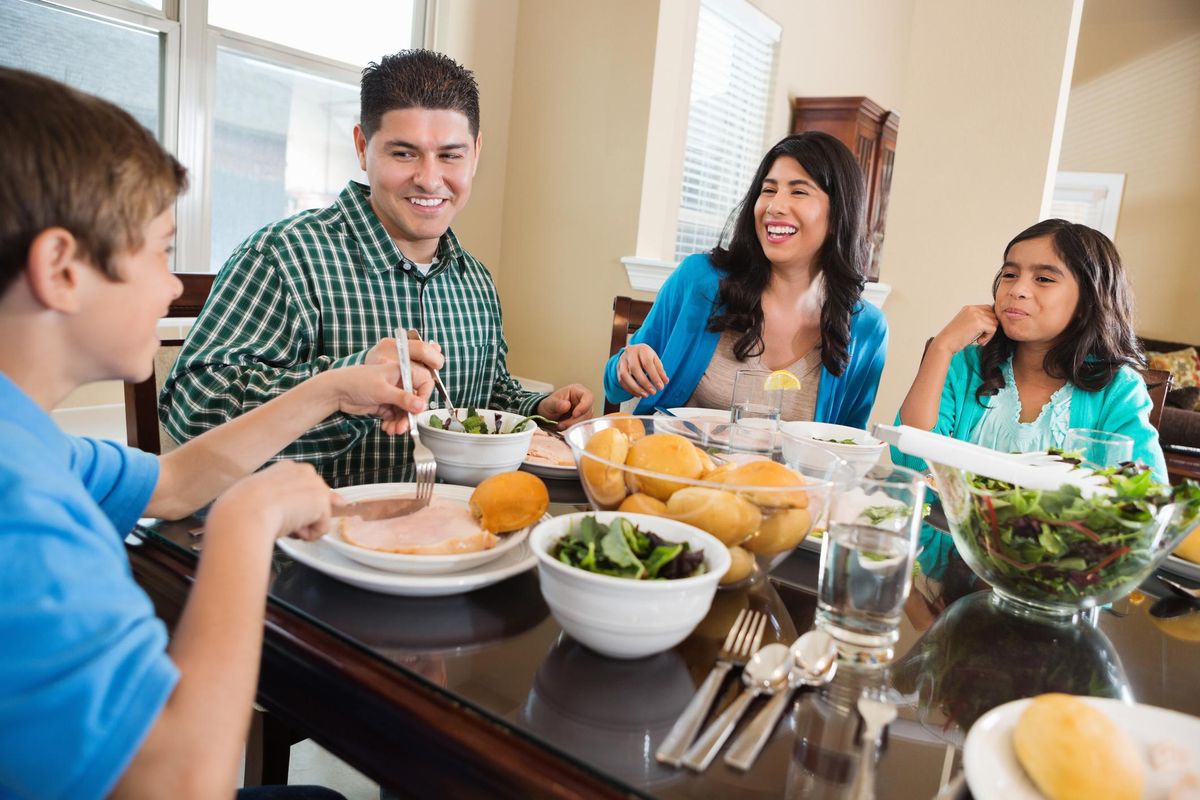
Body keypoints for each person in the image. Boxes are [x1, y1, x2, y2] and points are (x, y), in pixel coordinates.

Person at [0, 67, 437, 798]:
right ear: (62, 269)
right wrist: (248, 518)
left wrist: (333, 389)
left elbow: (172, 484)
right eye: (162, 251)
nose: (174, 287)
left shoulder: (30, 446)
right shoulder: (21, 518)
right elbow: (183, 783)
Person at [161, 49, 593, 487]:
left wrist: (537, 406)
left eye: (450, 155)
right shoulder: (282, 256)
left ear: (476, 153)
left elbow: (487, 393)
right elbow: (192, 410)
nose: (429, 178)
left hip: (455, 538)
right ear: (363, 148)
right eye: (404, 154)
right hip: (306, 540)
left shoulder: (476, 280)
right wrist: (345, 386)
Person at [894, 218, 1168, 577]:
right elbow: (910, 456)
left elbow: (1146, 499)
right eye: (1009, 274)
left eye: (1043, 278)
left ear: (1087, 300)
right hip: (948, 560)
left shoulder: (1118, 389)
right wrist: (942, 347)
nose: (1017, 289)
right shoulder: (968, 363)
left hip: (1060, 577)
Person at [602, 132, 888, 428]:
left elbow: (845, 444)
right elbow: (615, 386)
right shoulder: (698, 279)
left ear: (838, 215)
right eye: (768, 190)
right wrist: (627, 364)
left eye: (799, 192)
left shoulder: (867, 330)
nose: (775, 206)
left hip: (781, 476)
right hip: (674, 468)